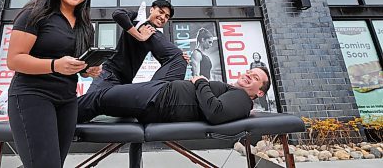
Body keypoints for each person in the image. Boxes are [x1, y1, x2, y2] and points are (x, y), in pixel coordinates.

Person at [7, 0, 101, 168]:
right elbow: (14, 60)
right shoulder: (34, 14)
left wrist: (88, 69)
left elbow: (75, 63)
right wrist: (54, 65)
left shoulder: (85, 26)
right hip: (32, 96)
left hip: (67, 100)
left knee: (53, 163)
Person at [78, 0, 188, 122]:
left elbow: (167, 55)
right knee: (83, 108)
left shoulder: (152, 33)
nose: (163, 17)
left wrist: (180, 56)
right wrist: (139, 35)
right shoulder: (137, 19)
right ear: (151, 9)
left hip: (125, 83)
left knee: (131, 118)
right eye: (160, 12)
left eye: (167, 17)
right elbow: (117, 14)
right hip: (109, 74)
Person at [79, 67, 271, 125]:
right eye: (249, 72)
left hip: (159, 99)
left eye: (255, 78)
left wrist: (201, 81)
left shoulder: (243, 99)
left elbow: (216, 113)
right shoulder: (234, 92)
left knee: (99, 99)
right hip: (160, 92)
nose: (248, 75)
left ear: (260, 92)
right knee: (104, 90)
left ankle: (59, 116)